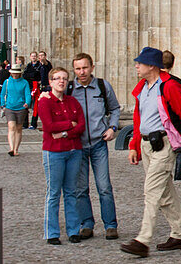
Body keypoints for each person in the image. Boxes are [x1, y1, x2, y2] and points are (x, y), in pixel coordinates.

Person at [120, 46, 181, 257]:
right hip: (146, 145)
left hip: (164, 145)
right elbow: (139, 119)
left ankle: (143, 239)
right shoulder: (142, 87)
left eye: (140, 63)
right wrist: (134, 145)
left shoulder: (169, 86)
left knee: (152, 190)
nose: (136, 66)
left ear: (152, 66)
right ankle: (179, 235)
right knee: (165, 192)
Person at [69, 53, 121, 241]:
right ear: (74, 70)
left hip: (99, 143)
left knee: (104, 186)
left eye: (84, 67)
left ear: (92, 67)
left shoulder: (102, 86)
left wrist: (113, 127)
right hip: (77, 145)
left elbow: (115, 108)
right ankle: (87, 224)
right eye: (78, 68)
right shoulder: (69, 89)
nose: (82, 72)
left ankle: (110, 225)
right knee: (80, 188)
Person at [39, 66, 86, 245]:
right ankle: (52, 233)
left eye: (65, 78)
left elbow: (80, 126)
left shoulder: (72, 102)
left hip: (74, 150)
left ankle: (73, 230)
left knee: (71, 192)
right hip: (54, 152)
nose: (61, 81)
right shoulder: (45, 102)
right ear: (50, 82)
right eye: (57, 78)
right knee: (53, 193)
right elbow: (49, 126)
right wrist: (69, 124)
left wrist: (65, 132)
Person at [0, 61, 32, 156]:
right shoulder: (7, 81)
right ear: (11, 73)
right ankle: (11, 148)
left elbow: (27, 94)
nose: (15, 74)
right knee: (11, 126)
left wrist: (27, 102)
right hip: (9, 107)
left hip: (21, 107)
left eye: (17, 73)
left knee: (18, 128)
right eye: (14, 72)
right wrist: (3, 104)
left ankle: (16, 149)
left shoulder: (24, 82)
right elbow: (3, 94)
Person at [25, 50, 41, 128]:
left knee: (35, 106)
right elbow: (25, 75)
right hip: (29, 86)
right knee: (26, 105)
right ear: (30, 57)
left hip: (36, 88)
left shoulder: (39, 65)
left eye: (35, 56)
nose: (33, 57)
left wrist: (32, 75)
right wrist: (32, 75)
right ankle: (25, 124)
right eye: (32, 56)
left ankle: (33, 123)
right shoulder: (28, 66)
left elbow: (38, 75)